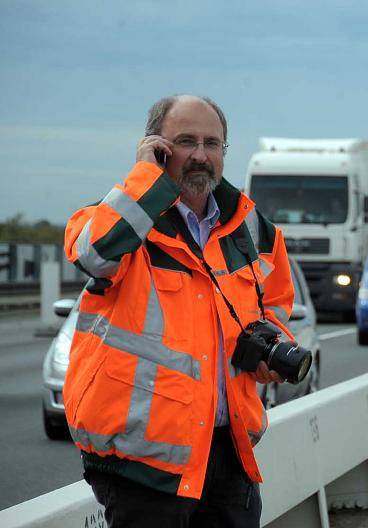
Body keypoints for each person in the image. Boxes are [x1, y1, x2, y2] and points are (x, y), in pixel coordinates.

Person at [63, 94, 294, 527]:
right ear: (156, 148)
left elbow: (275, 306)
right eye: (186, 142)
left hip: (229, 452)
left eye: (212, 143)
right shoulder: (119, 218)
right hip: (143, 465)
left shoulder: (250, 228)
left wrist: (270, 347)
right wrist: (145, 177)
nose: (201, 156)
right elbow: (93, 255)